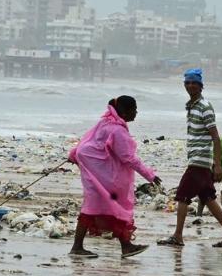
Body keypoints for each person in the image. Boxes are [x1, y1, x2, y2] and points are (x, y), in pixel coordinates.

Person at [157, 69, 222, 248]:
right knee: (208, 197)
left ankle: (178, 236)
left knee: (181, 196)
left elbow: (216, 137)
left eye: (194, 83)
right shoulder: (192, 106)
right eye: (187, 83)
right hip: (198, 160)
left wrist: (217, 165)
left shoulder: (204, 107)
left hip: (199, 161)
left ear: (201, 86)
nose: (190, 86)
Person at [68, 96, 161, 259]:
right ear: (124, 111)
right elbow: (128, 158)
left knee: (97, 208)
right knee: (112, 209)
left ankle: (123, 246)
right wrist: (149, 175)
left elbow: (86, 141)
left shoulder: (106, 123)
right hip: (103, 177)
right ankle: (121, 246)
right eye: (134, 109)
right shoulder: (117, 130)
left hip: (98, 174)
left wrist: (73, 154)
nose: (136, 112)